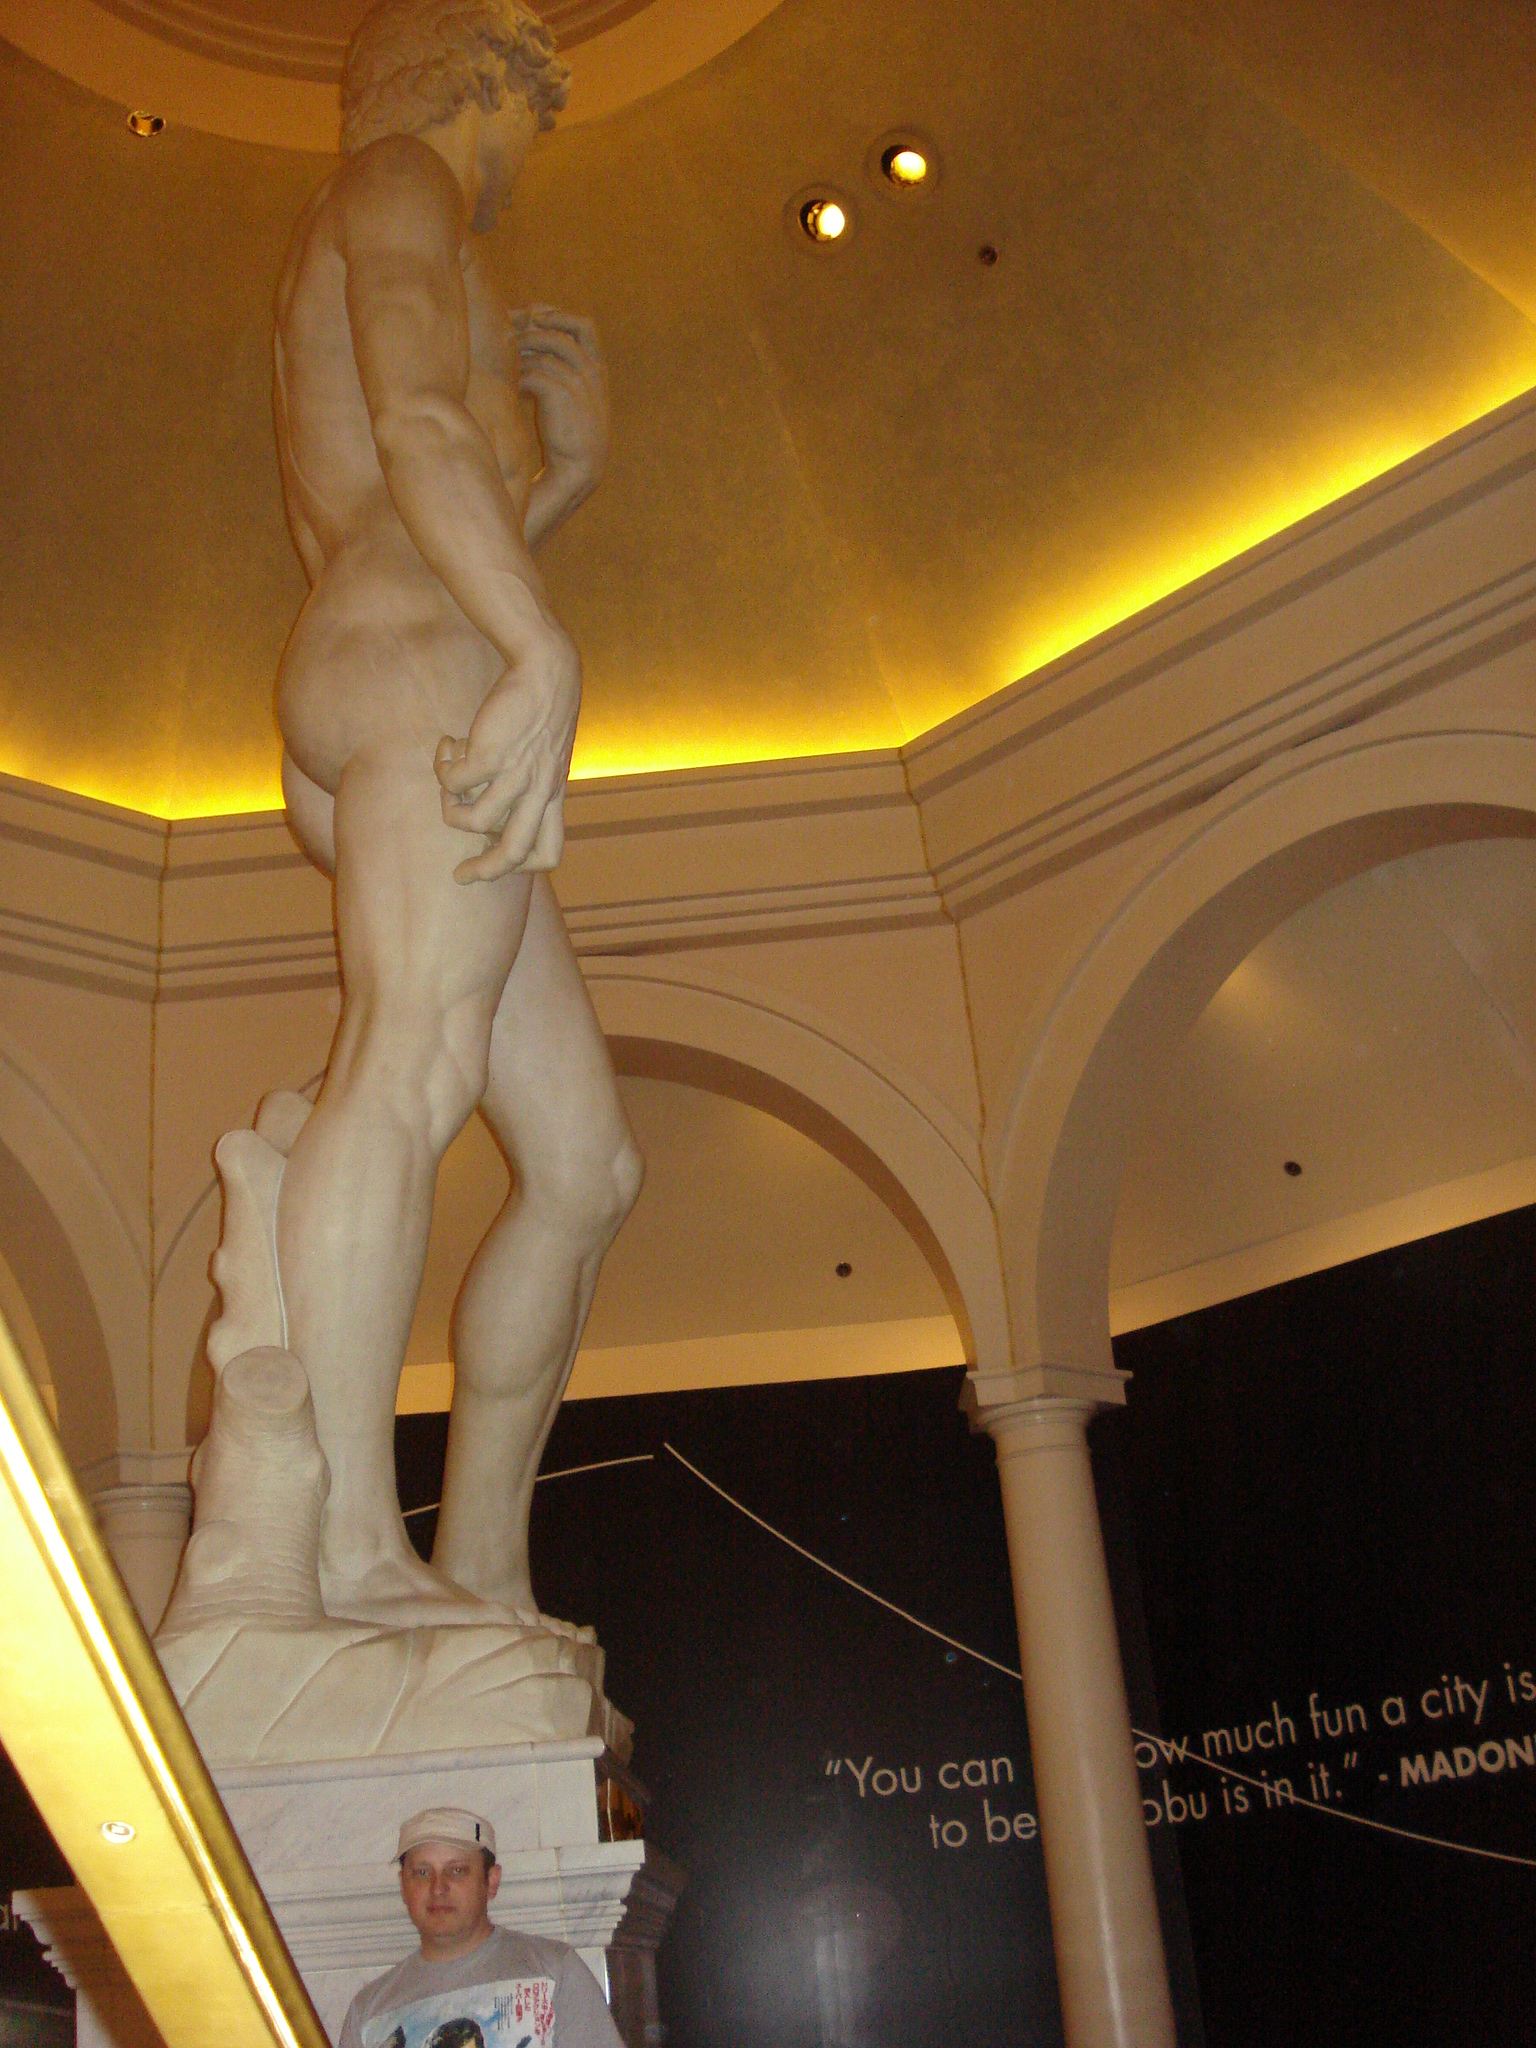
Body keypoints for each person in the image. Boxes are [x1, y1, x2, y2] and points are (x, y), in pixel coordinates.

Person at [269, 0, 643, 1635]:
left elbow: (426, 478)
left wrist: (565, 477)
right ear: (484, 77)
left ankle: (480, 1565)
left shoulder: (387, 211)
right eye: (528, 122)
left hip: (418, 657)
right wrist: (542, 646)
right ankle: (349, 1549)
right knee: (406, 1064)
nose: (518, 163)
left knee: (586, 1164)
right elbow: (415, 426)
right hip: (412, 668)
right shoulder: (398, 177)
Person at [337, 1808, 624, 2048]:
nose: (438, 1888)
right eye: (422, 1872)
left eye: (457, 1871)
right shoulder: (368, 2013)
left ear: (491, 1881)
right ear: (403, 1885)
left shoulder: (554, 1971)